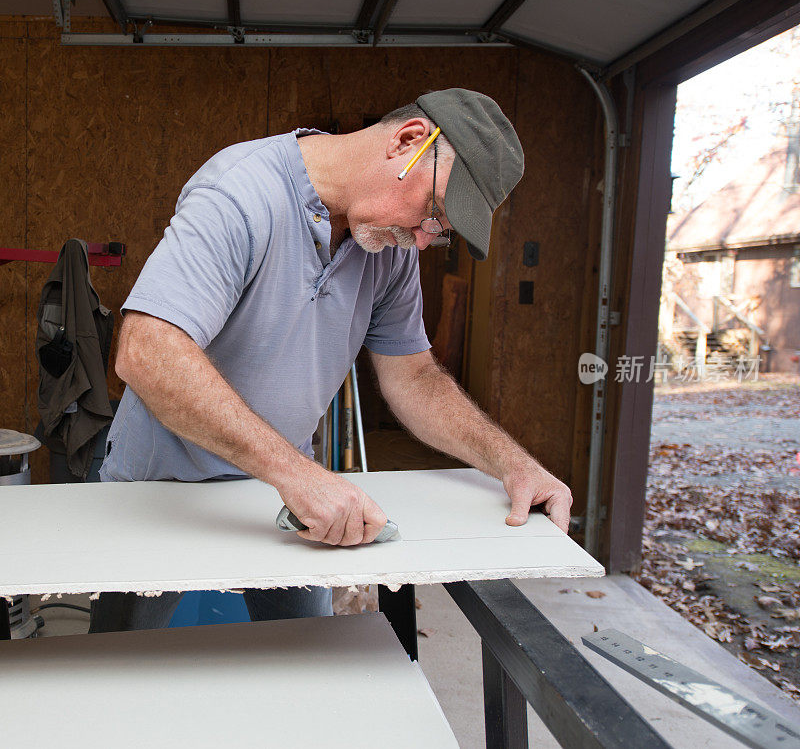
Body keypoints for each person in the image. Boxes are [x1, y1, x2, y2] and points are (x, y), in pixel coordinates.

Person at [89, 88, 572, 633]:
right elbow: (147, 351)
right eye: (434, 212)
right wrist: (299, 474)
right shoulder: (243, 192)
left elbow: (413, 375)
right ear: (409, 141)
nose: (420, 240)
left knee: (313, 656)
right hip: (165, 486)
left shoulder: (386, 248)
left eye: (438, 234)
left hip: (282, 487)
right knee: (118, 662)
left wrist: (511, 463)